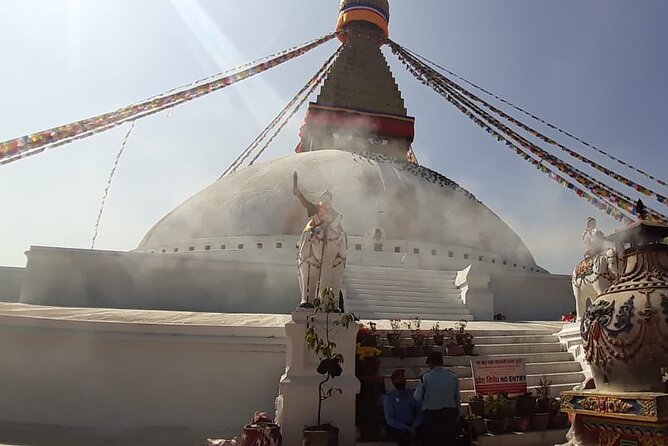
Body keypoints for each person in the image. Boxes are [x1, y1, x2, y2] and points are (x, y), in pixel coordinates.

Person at [413, 351, 460, 446]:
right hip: (449, 414)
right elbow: (457, 397)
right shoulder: (453, 376)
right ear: (442, 362)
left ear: (430, 363)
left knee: (431, 441)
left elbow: (417, 397)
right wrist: (457, 413)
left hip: (431, 415)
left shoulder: (425, 377)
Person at [383, 369, 422, 446]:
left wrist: (414, 426)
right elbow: (390, 419)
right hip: (398, 427)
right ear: (393, 381)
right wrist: (408, 429)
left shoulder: (413, 394)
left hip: (413, 425)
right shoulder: (390, 398)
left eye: (402, 377)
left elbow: (420, 413)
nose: (400, 380)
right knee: (404, 437)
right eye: (397, 378)